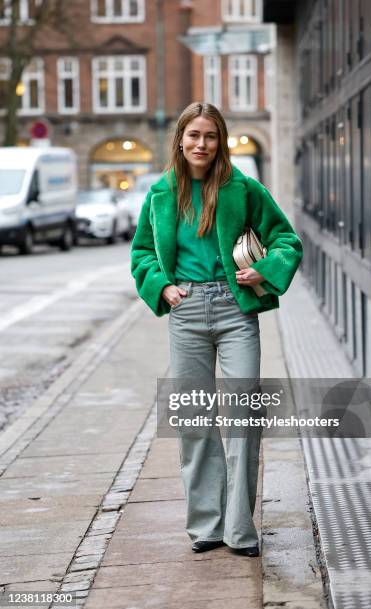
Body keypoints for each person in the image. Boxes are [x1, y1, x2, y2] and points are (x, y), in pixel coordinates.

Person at [130, 102, 303, 558]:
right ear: (180, 140)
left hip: (234, 310)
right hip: (185, 311)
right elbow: (142, 253)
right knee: (195, 421)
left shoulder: (243, 189)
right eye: (193, 136)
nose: (201, 144)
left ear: (220, 140)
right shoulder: (161, 194)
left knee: (244, 416)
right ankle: (207, 525)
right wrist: (162, 287)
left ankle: (241, 529)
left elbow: (287, 239)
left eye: (210, 136)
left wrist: (263, 271)